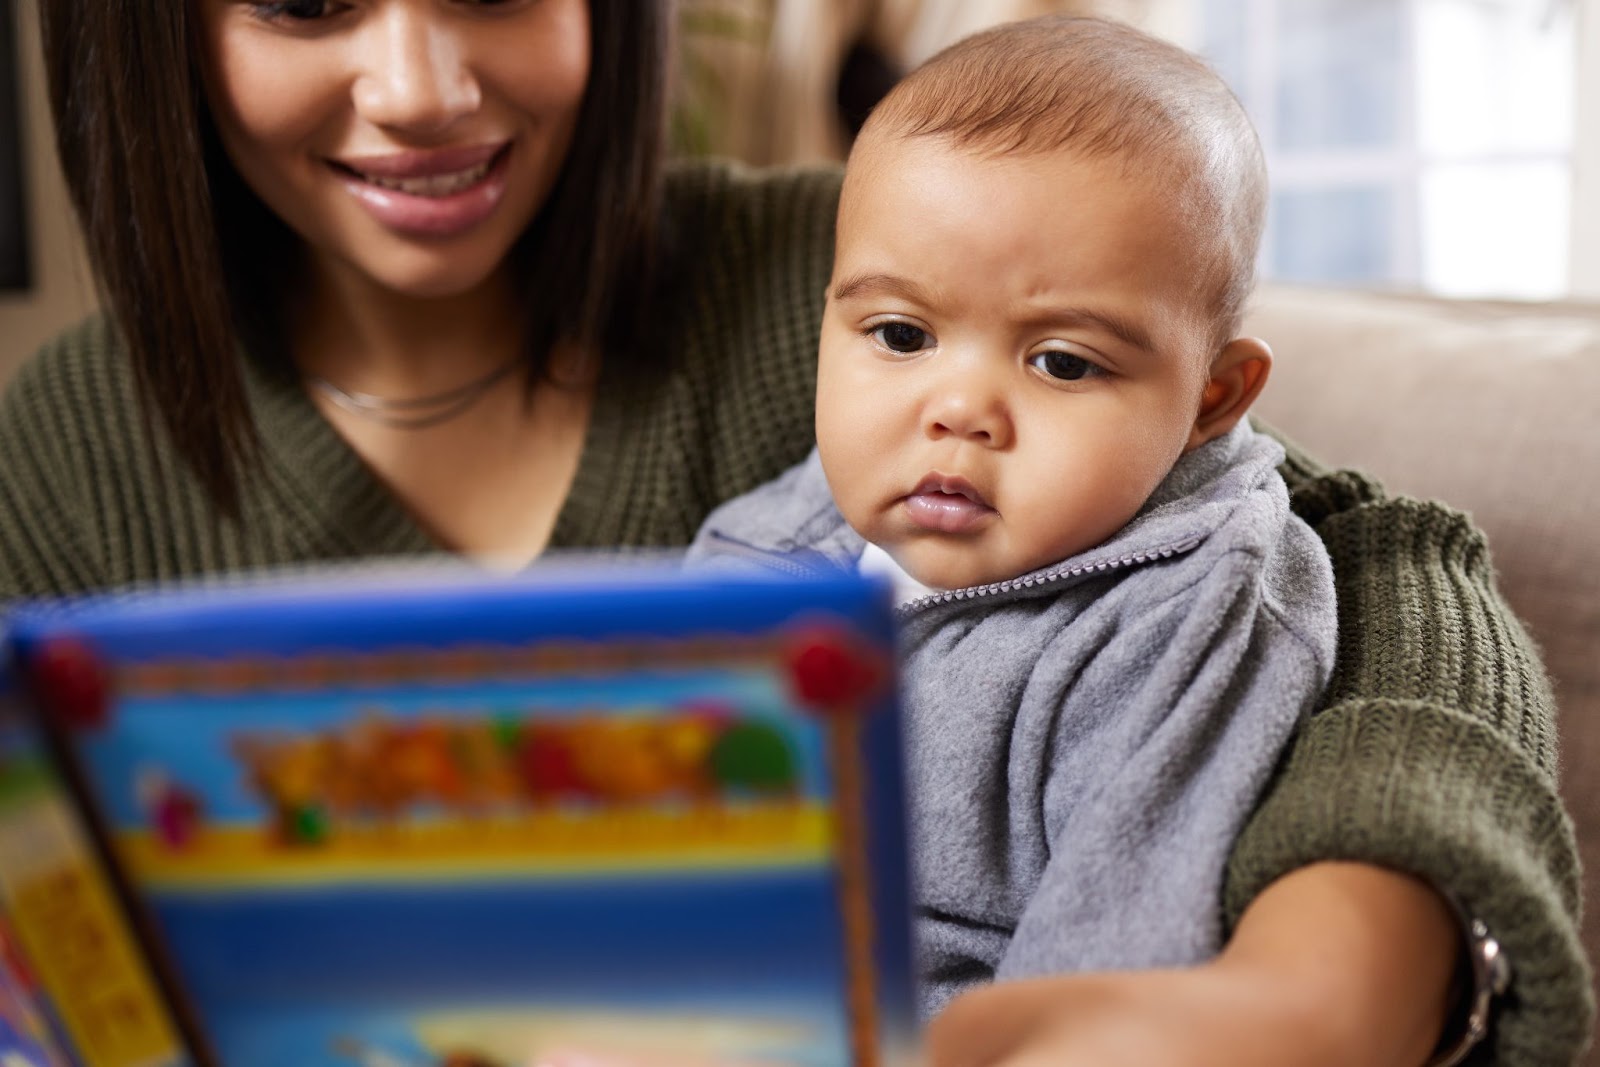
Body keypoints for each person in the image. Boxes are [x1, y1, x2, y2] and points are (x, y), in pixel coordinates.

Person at [0, 1, 1586, 1063]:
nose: (420, 86)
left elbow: (1340, 537)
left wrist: (1335, 959)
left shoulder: (812, 275)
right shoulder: (59, 452)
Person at [688, 11, 1344, 1017]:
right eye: (901, 334)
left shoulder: (1185, 610)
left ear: (1212, 399)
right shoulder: (783, 527)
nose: (957, 409)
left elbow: (1104, 980)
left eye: (1061, 361)